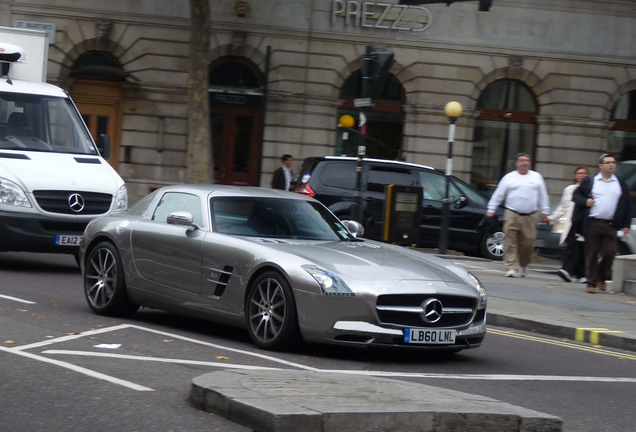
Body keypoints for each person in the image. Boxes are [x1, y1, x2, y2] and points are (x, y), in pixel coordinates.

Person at [572, 154, 631, 294]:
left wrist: (626, 224)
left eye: (613, 163)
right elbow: (576, 195)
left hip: (611, 224)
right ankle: (591, 283)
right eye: (608, 162)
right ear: (600, 166)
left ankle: (601, 277)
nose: (611, 165)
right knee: (591, 254)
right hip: (592, 223)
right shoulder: (590, 181)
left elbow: (626, 205)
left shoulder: (620, 183)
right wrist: (585, 202)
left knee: (610, 253)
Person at [486, 153, 550, 277]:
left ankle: (523, 264)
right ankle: (512, 267)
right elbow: (499, 194)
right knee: (511, 241)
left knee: (528, 243)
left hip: (530, 216)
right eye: (521, 160)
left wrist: (545, 212)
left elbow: (543, 195)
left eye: (527, 160)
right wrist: (491, 210)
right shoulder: (509, 178)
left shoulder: (536, 177)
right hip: (512, 213)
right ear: (516, 163)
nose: (524, 163)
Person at [550, 165, 589, 283]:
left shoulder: (591, 189)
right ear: (575, 176)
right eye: (579, 173)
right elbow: (562, 207)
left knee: (581, 249)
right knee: (574, 247)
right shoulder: (569, 189)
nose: (581, 175)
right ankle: (569, 271)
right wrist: (552, 218)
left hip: (584, 224)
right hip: (571, 223)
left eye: (584, 173)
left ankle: (579, 274)